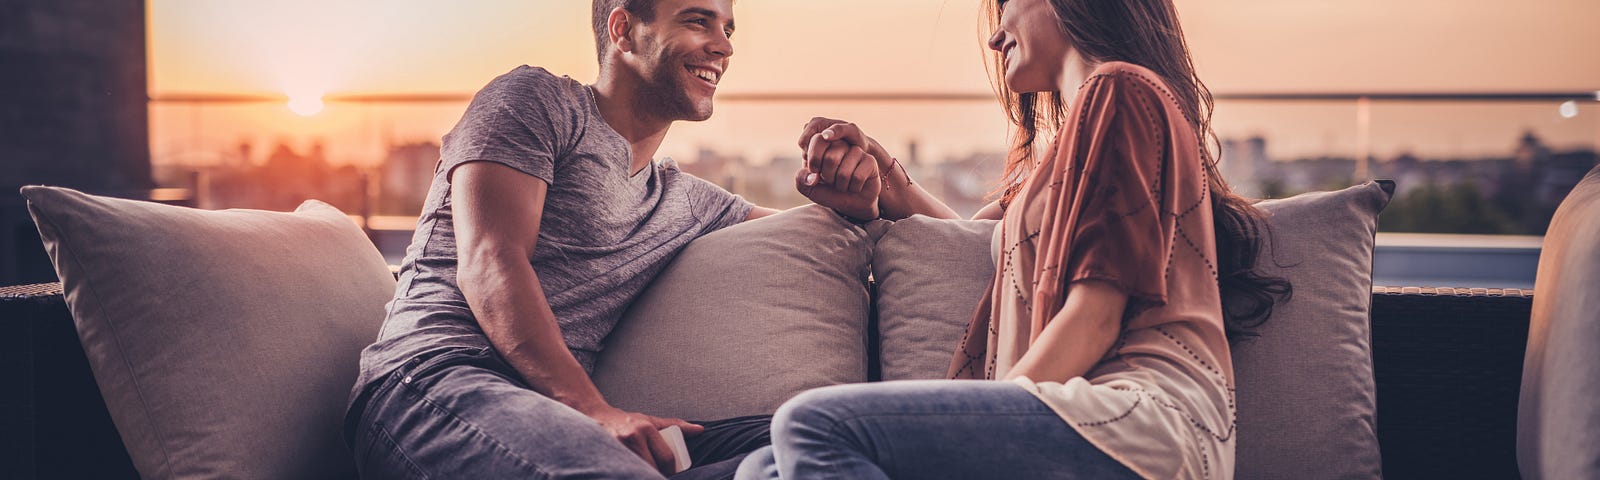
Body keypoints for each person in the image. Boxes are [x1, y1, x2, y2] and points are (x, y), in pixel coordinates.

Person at [737, 0, 1292, 478]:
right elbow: (979, 239)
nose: (996, 33)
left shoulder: (1121, 90)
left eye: (1005, 3)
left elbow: (1095, 313)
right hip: (1078, 420)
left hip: (1136, 425)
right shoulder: (1064, 159)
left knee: (811, 423)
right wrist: (885, 180)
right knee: (764, 467)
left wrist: (969, 425)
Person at [342, 0, 880, 478]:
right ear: (623, 30)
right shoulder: (536, 101)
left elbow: (815, 233)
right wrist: (594, 412)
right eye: (698, 21)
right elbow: (490, 262)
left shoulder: (686, 199)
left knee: (827, 440)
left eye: (729, 29)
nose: (723, 46)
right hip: (433, 385)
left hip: (559, 420)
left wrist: (861, 199)